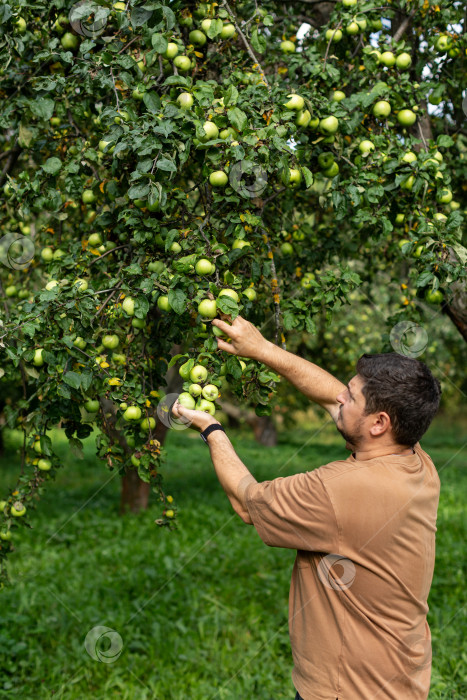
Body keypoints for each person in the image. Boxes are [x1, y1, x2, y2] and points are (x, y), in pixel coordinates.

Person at [172, 315, 442, 700]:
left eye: (351, 397)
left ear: (380, 423)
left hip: (346, 688)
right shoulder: (415, 459)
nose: (339, 398)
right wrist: (261, 349)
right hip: (402, 677)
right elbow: (328, 393)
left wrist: (212, 430)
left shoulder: (337, 489)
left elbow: (249, 501)